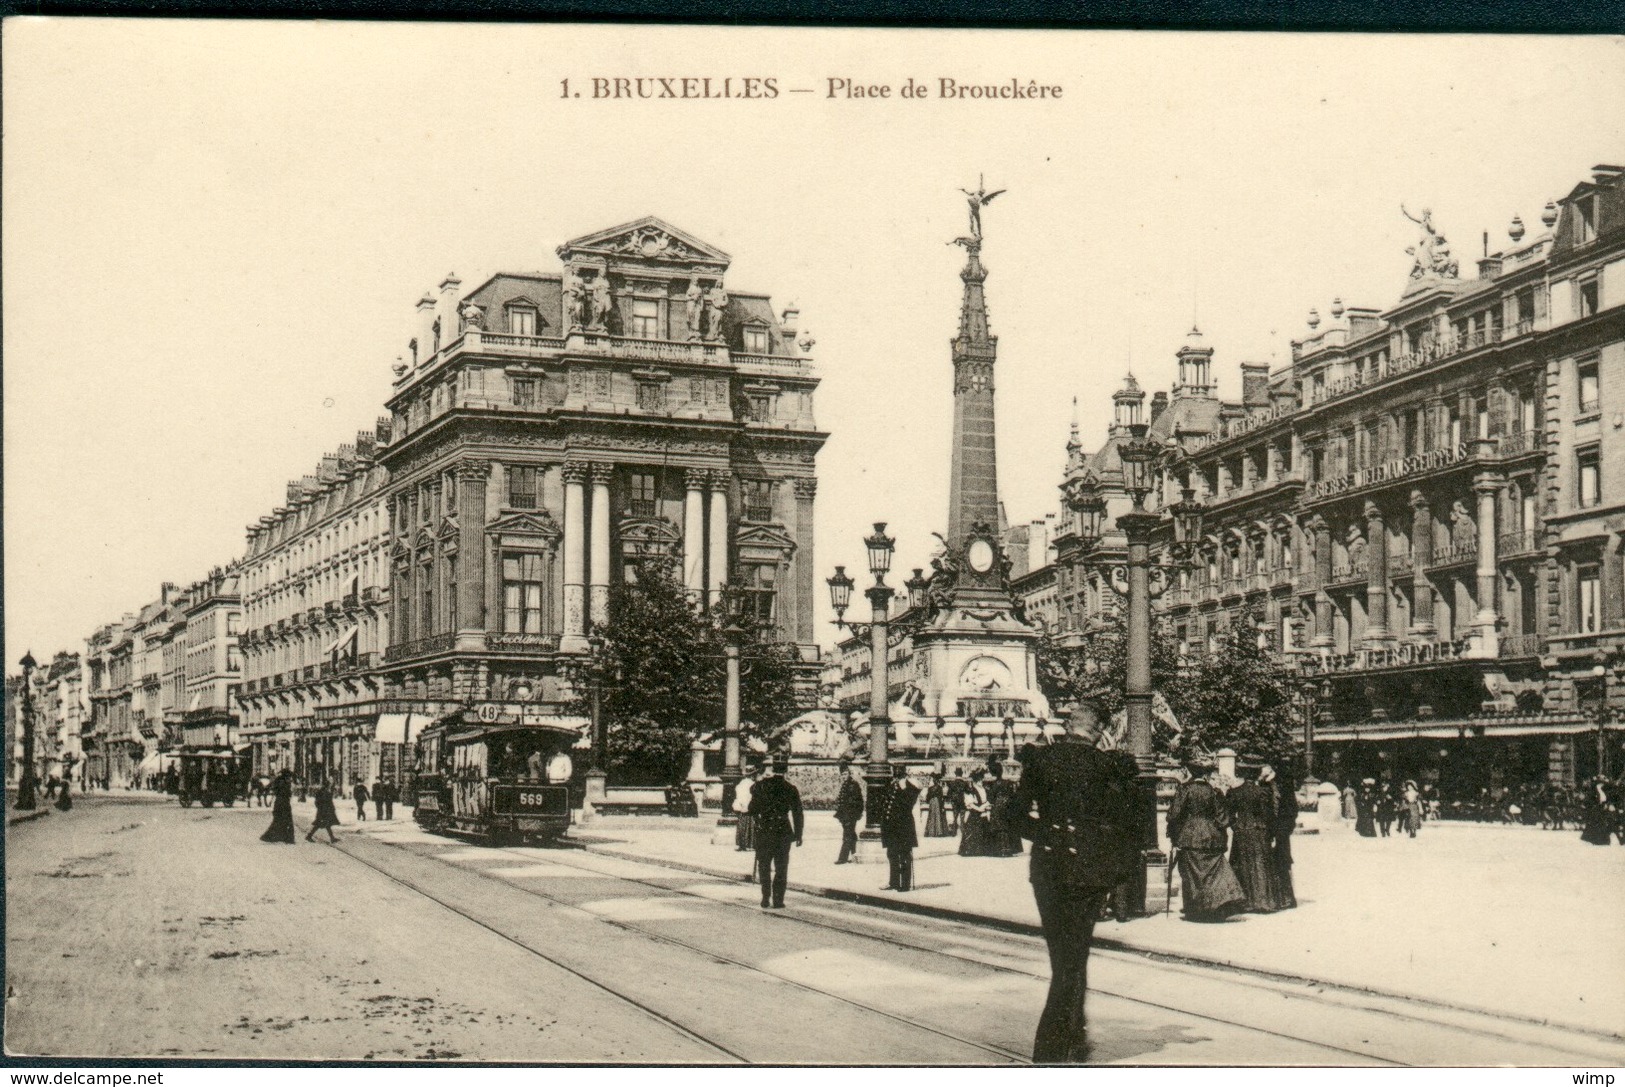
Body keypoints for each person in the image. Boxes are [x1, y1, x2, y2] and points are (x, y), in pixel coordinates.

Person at [1012, 700, 1139, 1064]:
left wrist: (1050, 835)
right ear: (1098, 729)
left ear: (1069, 726)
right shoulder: (1106, 764)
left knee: (1063, 957)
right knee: (1073, 958)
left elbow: (1014, 817)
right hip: (1087, 870)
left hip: (1047, 869)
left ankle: (1072, 1037)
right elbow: (1128, 822)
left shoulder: (1039, 759)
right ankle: (1050, 1050)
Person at [1168, 762, 1246, 921]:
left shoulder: (1185, 790)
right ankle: (1215, 907)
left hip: (1190, 836)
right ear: (1205, 775)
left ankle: (1194, 909)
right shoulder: (1213, 792)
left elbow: (1174, 815)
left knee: (1191, 874)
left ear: (1190, 773)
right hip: (1211, 837)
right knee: (1212, 874)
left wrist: (1174, 831)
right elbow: (1222, 818)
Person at [747, 757, 803, 909]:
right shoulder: (790, 788)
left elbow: (751, 809)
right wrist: (799, 835)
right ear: (785, 771)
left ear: (772, 769)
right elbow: (798, 813)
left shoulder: (760, 786)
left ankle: (765, 897)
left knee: (764, 865)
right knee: (781, 867)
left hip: (765, 830)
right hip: (783, 832)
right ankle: (778, 900)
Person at [1261, 764, 1298, 911]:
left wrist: (1284, 830)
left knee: (1282, 861)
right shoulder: (1263, 784)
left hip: (1280, 830)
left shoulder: (1282, 783)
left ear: (1269, 769)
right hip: (1270, 830)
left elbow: (1291, 809)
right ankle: (1276, 898)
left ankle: (1287, 898)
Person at [879, 765, 921, 891]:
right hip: (891, 826)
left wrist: (904, 787)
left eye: (899, 776)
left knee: (904, 855)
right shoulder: (892, 786)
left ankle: (905, 884)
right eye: (896, 776)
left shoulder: (910, 788)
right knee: (891, 854)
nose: (896, 779)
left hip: (903, 826)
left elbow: (908, 804)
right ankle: (894, 882)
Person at [986, 761, 1024, 857]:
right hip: (1007, 806)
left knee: (998, 828)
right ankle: (1009, 849)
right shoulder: (1007, 783)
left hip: (998, 807)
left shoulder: (993, 784)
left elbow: (990, 798)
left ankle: (999, 850)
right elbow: (1013, 795)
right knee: (1007, 827)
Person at [833, 758, 865, 864]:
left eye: (845, 774)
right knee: (851, 835)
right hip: (845, 815)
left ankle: (842, 858)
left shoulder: (852, 784)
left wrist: (855, 814)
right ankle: (855, 855)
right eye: (842, 774)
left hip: (850, 815)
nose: (844, 776)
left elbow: (857, 801)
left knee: (847, 835)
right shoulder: (846, 784)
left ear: (849, 773)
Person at [959, 768, 992, 856]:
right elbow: (970, 803)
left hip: (982, 813)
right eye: (980, 780)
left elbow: (985, 801)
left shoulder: (983, 789)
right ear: (976, 780)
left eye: (982, 779)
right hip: (974, 814)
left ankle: (982, 850)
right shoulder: (971, 790)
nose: (981, 781)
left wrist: (985, 806)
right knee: (973, 831)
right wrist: (979, 809)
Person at [260, 769, 297, 844]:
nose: (290, 778)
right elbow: (285, 793)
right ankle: (288, 838)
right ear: (286, 776)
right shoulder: (283, 783)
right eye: (289, 776)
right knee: (286, 821)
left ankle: (277, 837)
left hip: (279, 803)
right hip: (283, 803)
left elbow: (270, 788)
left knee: (279, 821)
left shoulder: (279, 781)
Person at [306, 773, 341, 844]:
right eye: (330, 783)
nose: (331, 784)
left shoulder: (327, 790)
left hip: (327, 810)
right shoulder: (323, 791)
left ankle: (332, 838)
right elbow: (320, 801)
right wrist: (321, 808)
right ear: (327, 784)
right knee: (320, 824)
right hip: (324, 810)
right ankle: (309, 836)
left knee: (326, 824)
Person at [1580, 777, 1615, 845]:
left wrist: (1607, 805)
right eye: (1600, 784)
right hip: (1595, 810)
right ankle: (1597, 840)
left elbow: (1605, 799)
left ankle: (1603, 840)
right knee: (1596, 825)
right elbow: (1589, 801)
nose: (1602, 785)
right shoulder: (1593, 792)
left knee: (1603, 825)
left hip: (1602, 810)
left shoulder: (1603, 791)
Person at [733, 764, 758, 853]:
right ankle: (749, 844)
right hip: (749, 807)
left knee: (742, 825)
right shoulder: (753, 784)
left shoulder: (741, 784)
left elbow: (738, 795)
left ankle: (741, 844)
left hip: (741, 806)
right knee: (751, 825)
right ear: (752, 775)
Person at [922, 773, 951, 838]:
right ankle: (939, 832)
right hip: (938, 802)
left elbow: (927, 798)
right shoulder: (939, 788)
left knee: (931, 816)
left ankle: (931, 832)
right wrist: (942, 806)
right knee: (938, 816)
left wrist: (929, 800)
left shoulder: (930, 788)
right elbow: (941, 798)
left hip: (932, 802)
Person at [945, 767, 969, 834]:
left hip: (954, 802)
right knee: (962, 818)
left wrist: (949, 799)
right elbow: (968, 792)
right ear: (961, 774)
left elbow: (948, 793)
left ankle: (954, 832)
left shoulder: (952, 783)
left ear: (955, 774)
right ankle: (963, 831)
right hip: (962, 801)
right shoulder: (964, 783)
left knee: (955, 817)